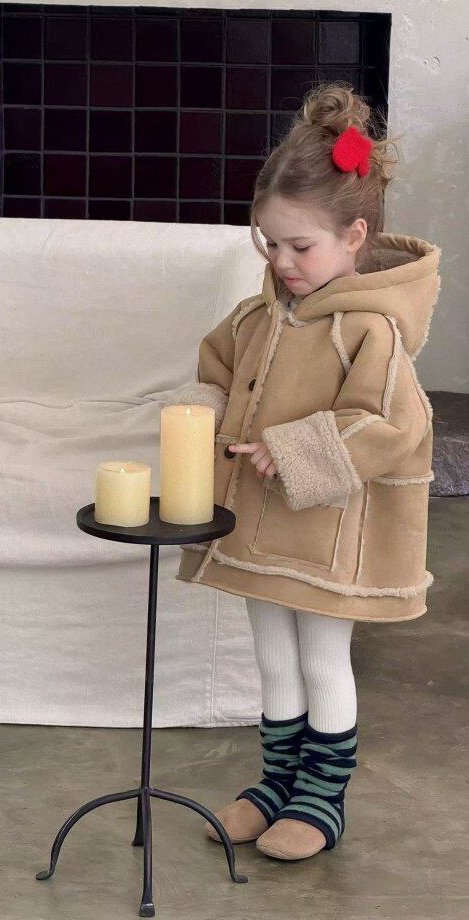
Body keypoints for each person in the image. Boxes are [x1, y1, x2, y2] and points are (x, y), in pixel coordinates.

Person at [163, 82, 441, 861]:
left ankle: (323, 798)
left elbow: (394, 425)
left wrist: (293, 451)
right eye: (269, 244)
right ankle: (275, 783)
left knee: (321, 658)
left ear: (354, 237)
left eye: (300, 246)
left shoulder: (368, 329)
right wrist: (198, 415)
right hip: (257, 525)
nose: (282, 262)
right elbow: (215, 372)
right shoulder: (257, 317)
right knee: (272, 657)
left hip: (327, 535)